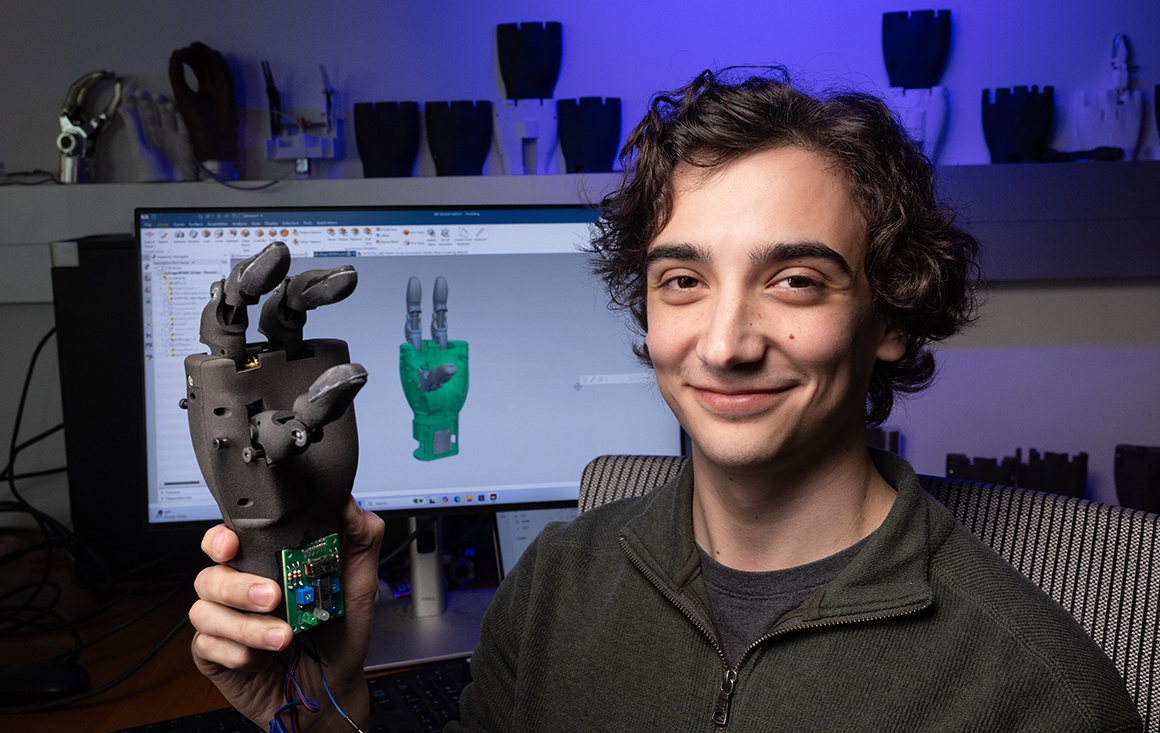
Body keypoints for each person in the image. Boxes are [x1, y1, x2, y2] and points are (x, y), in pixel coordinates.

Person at [190, 68, 1142, 732]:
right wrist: (324, 709)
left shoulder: (1035, 690)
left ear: (889, 315)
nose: (724, 344)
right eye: (683, 281)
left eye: (797, 280)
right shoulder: (556, 586)